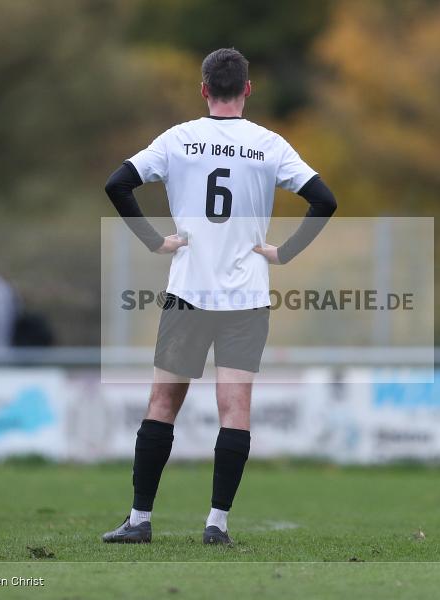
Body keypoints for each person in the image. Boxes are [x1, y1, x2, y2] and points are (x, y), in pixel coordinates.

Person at [101, 48, 336, 545]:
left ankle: (140, 521)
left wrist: (154, 241)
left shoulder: (179, 139)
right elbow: (325, 200)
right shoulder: (269, 144)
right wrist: (286, 252)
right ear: (248, 89)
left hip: (188, 292)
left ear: (204, 89)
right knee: (236, 409)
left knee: (162, 404)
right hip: (245, 297)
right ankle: (217, 524)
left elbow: (117, 184)